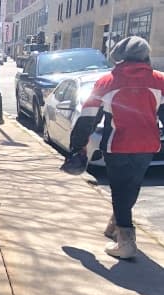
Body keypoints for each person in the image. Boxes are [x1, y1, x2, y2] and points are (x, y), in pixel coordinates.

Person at [70, 36, 164, 259]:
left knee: (120, 189)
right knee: (131, 187)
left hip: (117, 144)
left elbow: (88, 117)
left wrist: (78, 146)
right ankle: (116, 223)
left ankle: (126, 240)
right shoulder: (160, 81)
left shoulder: (107, 82)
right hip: (148, 144)